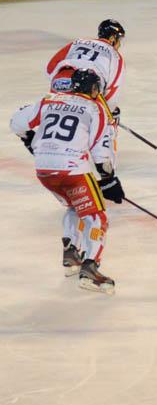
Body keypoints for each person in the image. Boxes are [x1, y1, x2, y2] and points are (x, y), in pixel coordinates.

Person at [10, 69, 124, 294]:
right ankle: (90, 269)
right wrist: (109, 179)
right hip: (72, 170)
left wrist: (29, 139)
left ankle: (71, 254)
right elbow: (101, 150)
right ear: (93, 89)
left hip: (44, 169)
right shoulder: (95, 108)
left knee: (74, 206)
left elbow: (16, 122)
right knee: (96, 216)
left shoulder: (49, 100)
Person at [46, 19, 126, 106]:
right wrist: (108, 110)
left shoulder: (77, 42)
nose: (119, 44)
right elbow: (113, 88)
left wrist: (60, 80)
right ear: (112, 38)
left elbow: (50, 67)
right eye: (119, 39)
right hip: (89, 86)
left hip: (61, 79)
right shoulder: (115, 55)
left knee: (50, 109)